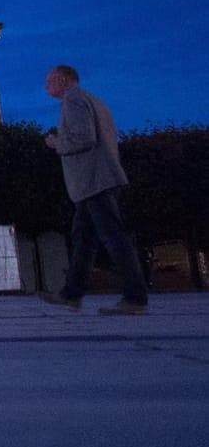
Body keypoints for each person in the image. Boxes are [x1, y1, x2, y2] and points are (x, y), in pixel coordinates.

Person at [40, 65, 149, 315]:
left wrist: (57, 143)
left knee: (113, 238)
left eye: (50, 80)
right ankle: (71, 294)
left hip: (94, 181)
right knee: (84, 240)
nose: (46, 86)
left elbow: (83, 138)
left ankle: (136, 297)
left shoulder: (74, 100)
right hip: (94, 182)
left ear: (64, 79)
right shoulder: (93, 99)